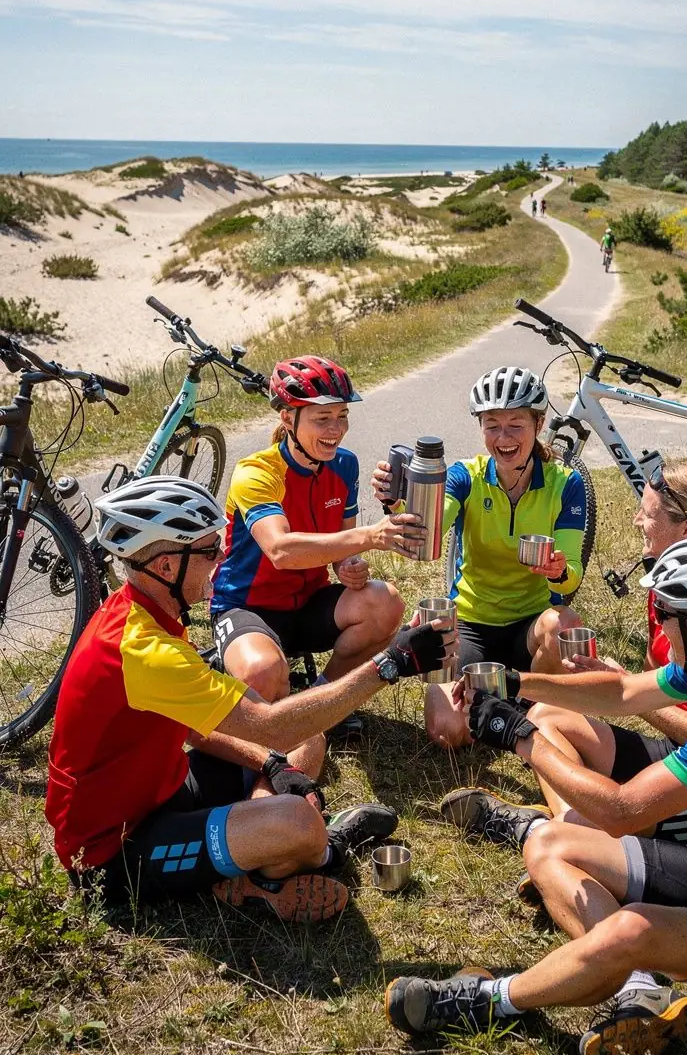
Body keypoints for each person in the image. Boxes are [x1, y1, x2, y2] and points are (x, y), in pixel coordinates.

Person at [386, 539, 687, 1055]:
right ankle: (638, 985)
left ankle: (488, 999)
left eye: (664, 611)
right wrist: (511, 682)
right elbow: (618, 692)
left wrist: (521, 737)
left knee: (630, 931)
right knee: (546, 841)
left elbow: (621, 811)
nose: (657, 622)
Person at [46, 476, 454, 923]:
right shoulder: (145, 651)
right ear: (166, 567)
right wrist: (390, 665)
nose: (221, 559)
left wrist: (271, 766)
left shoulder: (149, 612)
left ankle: (277, 848)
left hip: (162, 791)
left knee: (309, 736)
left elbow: (194, 728)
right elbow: (271, 725)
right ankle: (306, 856)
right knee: (296, 817)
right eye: (208, 551)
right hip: (114, 850)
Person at [441, 462, 687, 847]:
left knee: (604, 818)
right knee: (545, 714)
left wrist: (520, 735)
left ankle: (543, 832)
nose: (637, 520)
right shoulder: (670, 586)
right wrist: (512, 682)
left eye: (648, 514)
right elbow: (638, 688)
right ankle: (565, 830)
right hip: (677, 748)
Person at [210, 356, 421, 775]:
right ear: (289, 418)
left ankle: (323, 704)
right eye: (322, 418)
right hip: (245, 606)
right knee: (265, 672)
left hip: (307, 603)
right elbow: (281, 550)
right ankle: (253, 684)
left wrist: (348, 565)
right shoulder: (256, 472)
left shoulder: (345, 465)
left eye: (342, 416)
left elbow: (341, 546)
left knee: (385, 604)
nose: (336, 430)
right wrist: (369, 537)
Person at [372, 366, 588, 749]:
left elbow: (572, 576)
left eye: (515, 425)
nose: (503, 438)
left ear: (538, 424)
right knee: (447, 733)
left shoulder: (565, 483)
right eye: (492, 426)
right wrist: (396, 504)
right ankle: (501, 702)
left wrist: (557, 571)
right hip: (470, 621)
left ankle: (531, 711)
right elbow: (432, 531)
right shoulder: (465, 476)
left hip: (530, 624)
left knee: (565, 623)